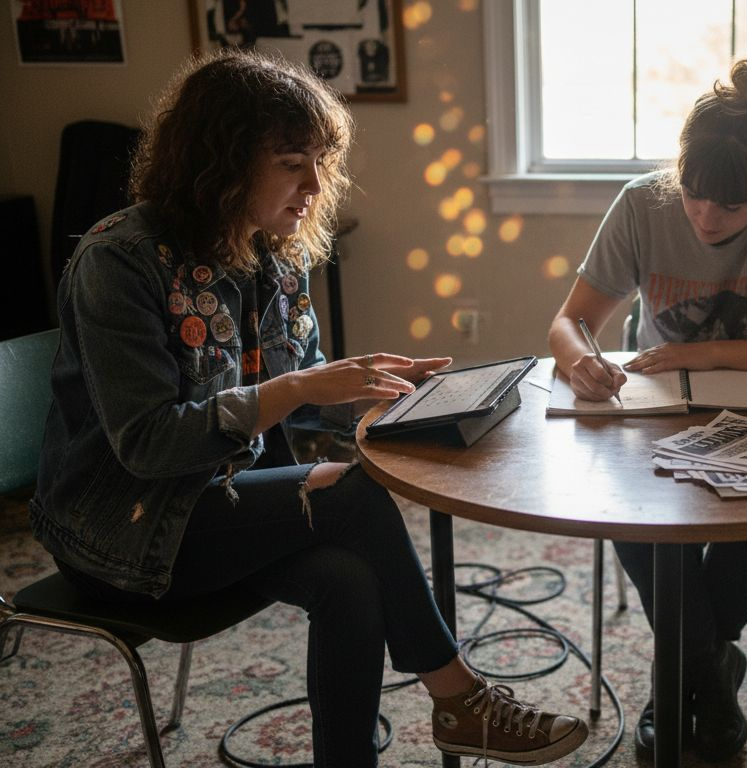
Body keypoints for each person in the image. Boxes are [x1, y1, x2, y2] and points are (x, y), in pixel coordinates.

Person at [29, 49, 587, 768]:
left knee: (349, 580)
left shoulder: (270, 253)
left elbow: (291, 390)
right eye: (293, 162)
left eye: (320, 160)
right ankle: (459, 699)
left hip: (226, 504)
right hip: (122, 532)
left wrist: (360, 388)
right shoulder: (118, 263)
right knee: (353, 497)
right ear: (220, 160)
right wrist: (297, 391)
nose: (316, 185)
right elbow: (148, 446)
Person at [547, 54, 747, 761]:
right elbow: (568, 322)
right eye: (693, 194)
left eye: (732, 204)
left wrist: (705, 353)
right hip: (657, 410)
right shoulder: (641, 202)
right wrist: (580, 360)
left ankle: (675, 676)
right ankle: (710, 674)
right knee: (631, 514)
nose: (705, 216)